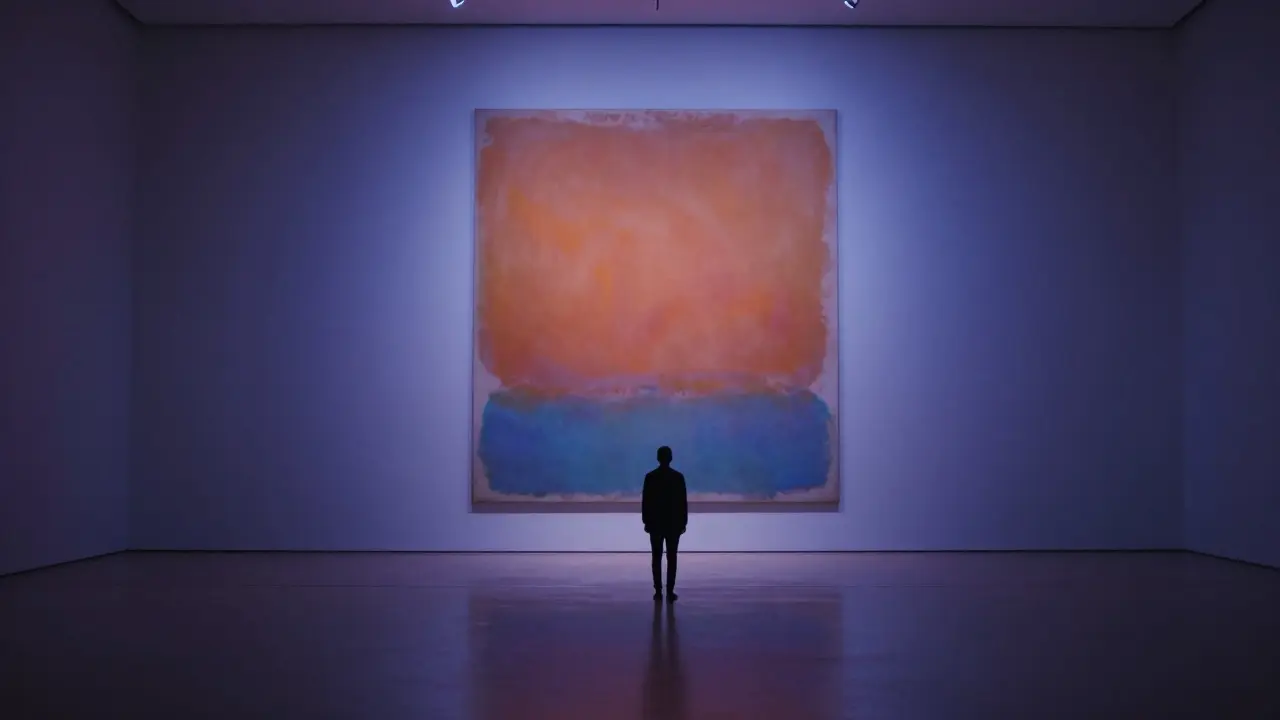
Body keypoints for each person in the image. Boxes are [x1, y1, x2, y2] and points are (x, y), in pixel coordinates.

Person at [642, 445, 688, 602]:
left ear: (657, 458)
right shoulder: (678, 477)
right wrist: (683, 522)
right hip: (673, 524)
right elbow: (683, 503)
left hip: (655, 523)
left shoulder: (650, 477)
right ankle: (670, 591)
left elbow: (646, 502)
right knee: (672, 557)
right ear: (671, 458)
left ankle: (658, 591)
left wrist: (646, 521)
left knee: (656, 557)